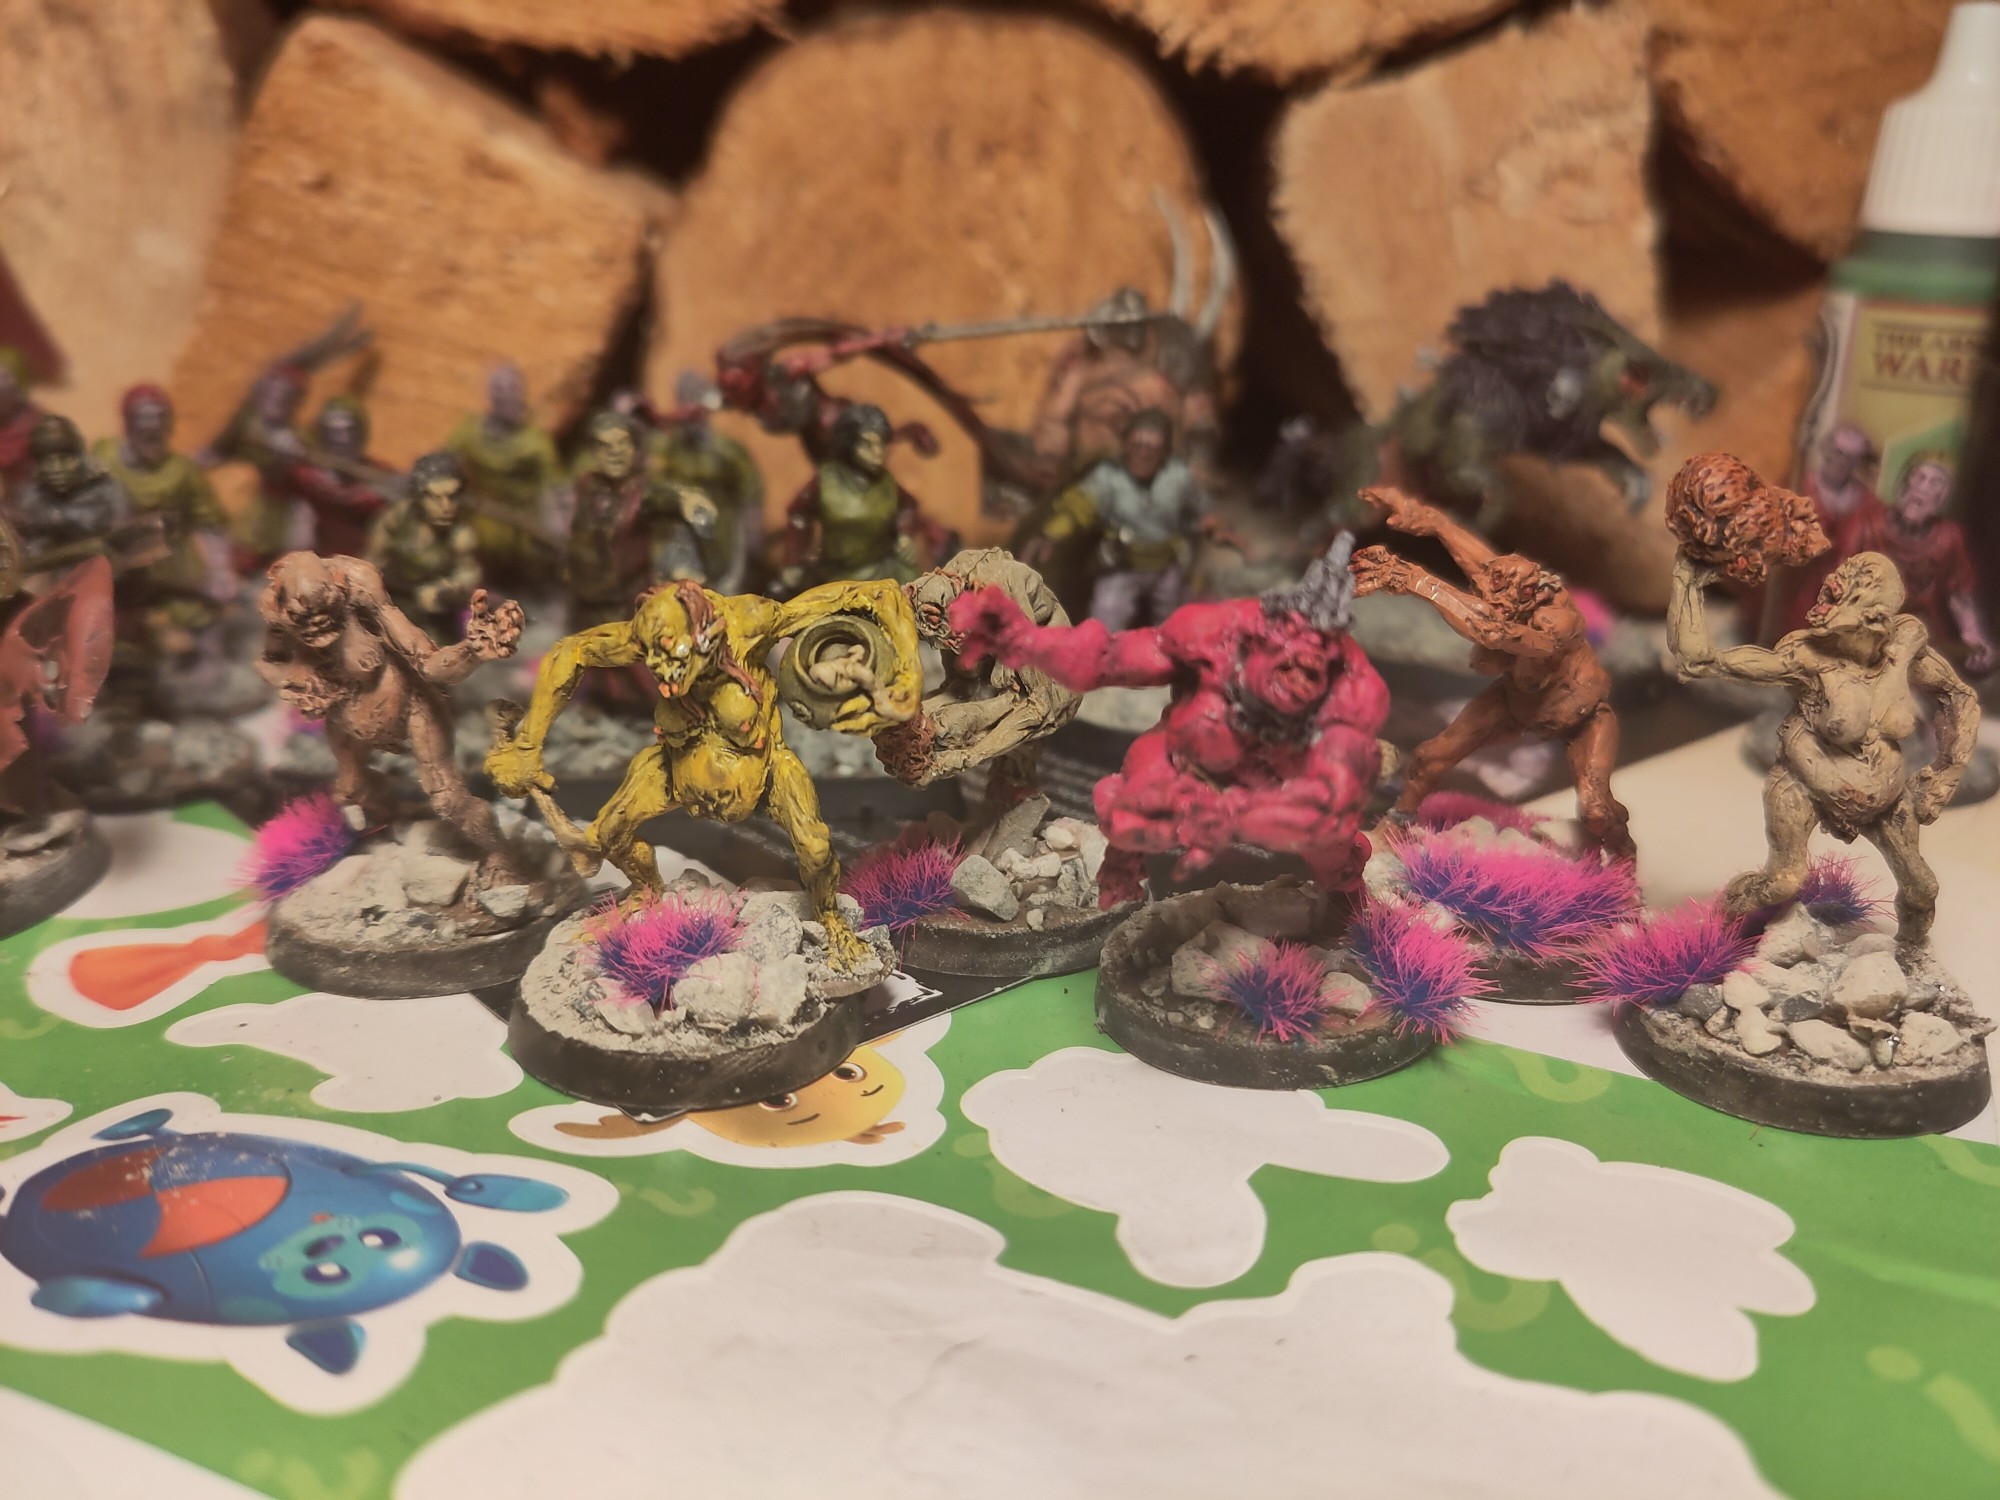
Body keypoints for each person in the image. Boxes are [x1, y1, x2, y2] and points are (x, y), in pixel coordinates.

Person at [1030, 408, 1209, 629]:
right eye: (1137, 445)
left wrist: (1213, 525)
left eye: (1152, 448)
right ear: (1126, 445)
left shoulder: (1179, 476)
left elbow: (1199, 510)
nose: (1143, 454)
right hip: (1122, 565)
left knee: (1179, 624)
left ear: (1164, 452)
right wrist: (1051, 534)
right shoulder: (1108, 477)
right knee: (1105, 620)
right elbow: (1078, 507)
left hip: (1166, 566)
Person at [445, 363, 562, 585]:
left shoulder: (536, 443)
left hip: (522, 527)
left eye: (515, 390)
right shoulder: (469, 431)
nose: (511, 397)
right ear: (491, 396)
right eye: (502, 390)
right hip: (479, 517)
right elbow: (446, 460)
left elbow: (552, 490)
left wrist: (555, 524)